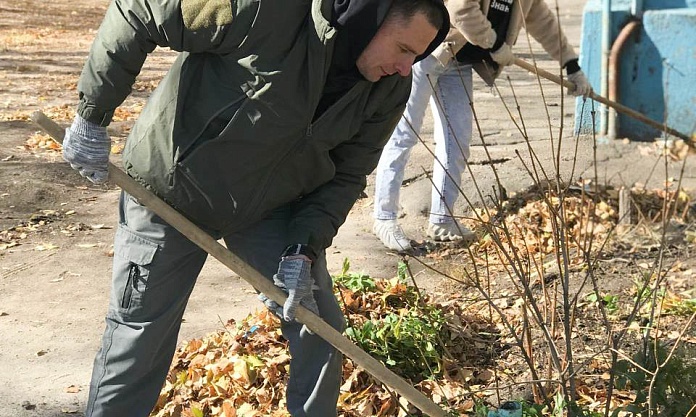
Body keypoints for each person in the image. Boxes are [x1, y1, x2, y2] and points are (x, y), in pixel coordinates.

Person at [60, 0, 449, 416]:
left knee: (318, 327)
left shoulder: (388, 87)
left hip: (269, 206)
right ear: (369, 19)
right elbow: (139, 12)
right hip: (172, 189)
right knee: (140, 336)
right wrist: (92, 114)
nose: (409, 67)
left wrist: (304, 247)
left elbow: (347, 175)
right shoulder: (268, 11)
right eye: (405, 49)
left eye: (419, 56)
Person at [372, 0, 592, 251]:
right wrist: (494, 43)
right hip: (428, 51)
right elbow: (461, 10)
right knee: (404, 133)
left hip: (459, 62)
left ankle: (442, 220)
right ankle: (385, 218)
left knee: (457, 140)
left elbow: (543, 23)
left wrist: (571, 66)